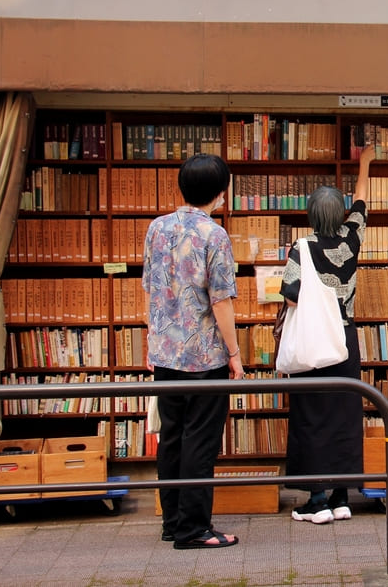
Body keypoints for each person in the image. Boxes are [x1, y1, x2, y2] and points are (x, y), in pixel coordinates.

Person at [142, 153, 244, 549]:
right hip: (203, 357)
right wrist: (234, 353)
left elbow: (150, 288)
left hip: (165, 354)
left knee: (171, 438)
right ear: (221, 193)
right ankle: (194, 529)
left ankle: (173, 522)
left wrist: (153, 338)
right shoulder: (213, 234)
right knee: (200, 441)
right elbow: (220, 300)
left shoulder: (157, 227)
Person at [280, 145, 375, 524]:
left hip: (313, 342)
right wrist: (365, 164)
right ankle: (341, 497)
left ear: (310, 215)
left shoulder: (301, 248)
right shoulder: (352, 241)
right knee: (342, 414)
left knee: (310, 416)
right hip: (345, 340)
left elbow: (290, 299)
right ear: (342, 215)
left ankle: (316, 500)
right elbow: (363, 202)